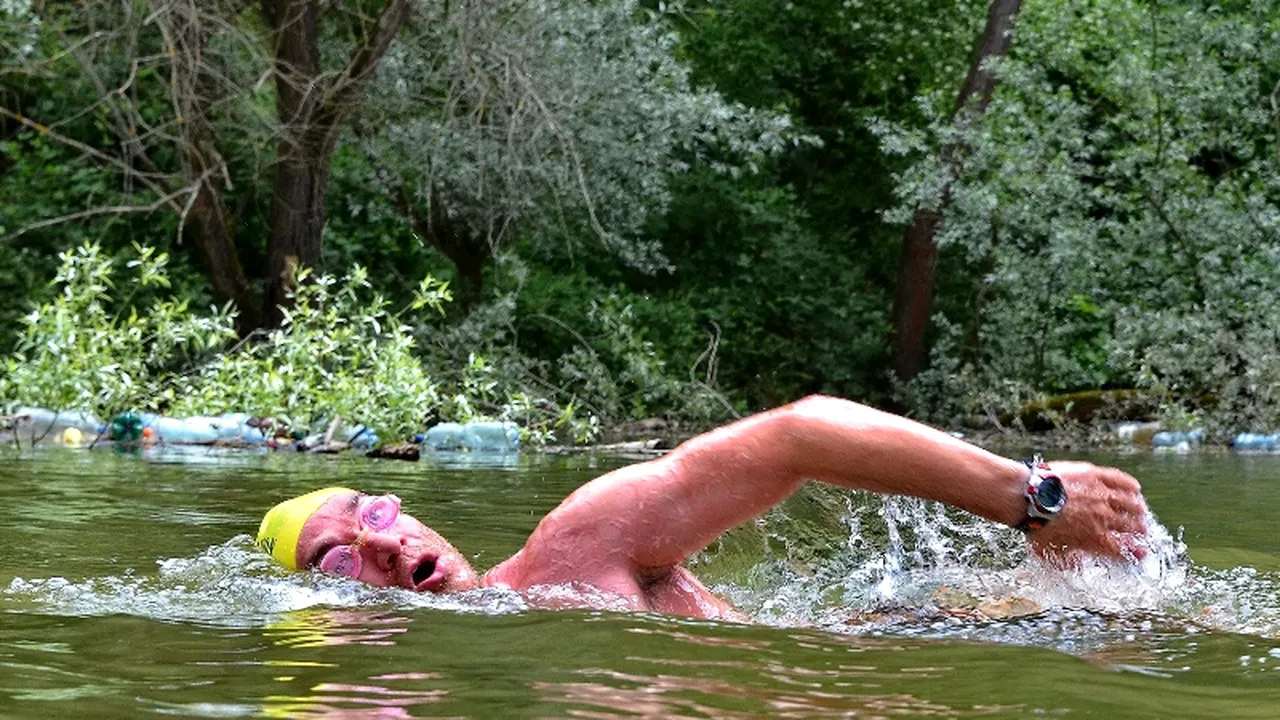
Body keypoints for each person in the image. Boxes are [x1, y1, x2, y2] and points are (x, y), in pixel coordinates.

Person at [256, 395, 1148, 620]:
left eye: (370, 517)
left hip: (923, 638)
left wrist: (1030, 498)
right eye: (335, 561)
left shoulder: (572, 549)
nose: (375, 552)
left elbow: (800, 434)